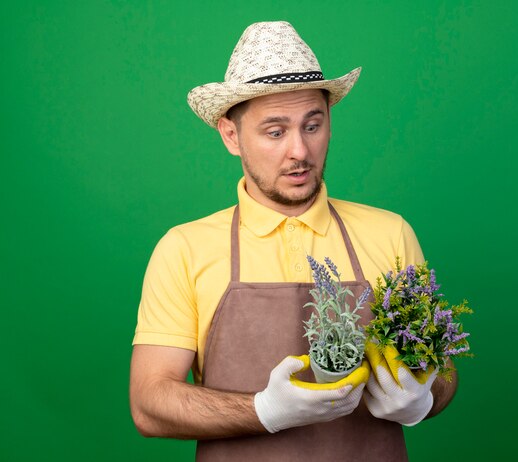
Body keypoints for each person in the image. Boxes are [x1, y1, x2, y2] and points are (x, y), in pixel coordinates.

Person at [130, 21, 457, 461]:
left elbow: (443, 372)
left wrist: (424, 397)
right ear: (231, 135)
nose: (299, 151)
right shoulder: (184, 249)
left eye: (312, 125)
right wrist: (264, 410)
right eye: (275, 131)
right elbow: (150, 404)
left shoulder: (390, 233)